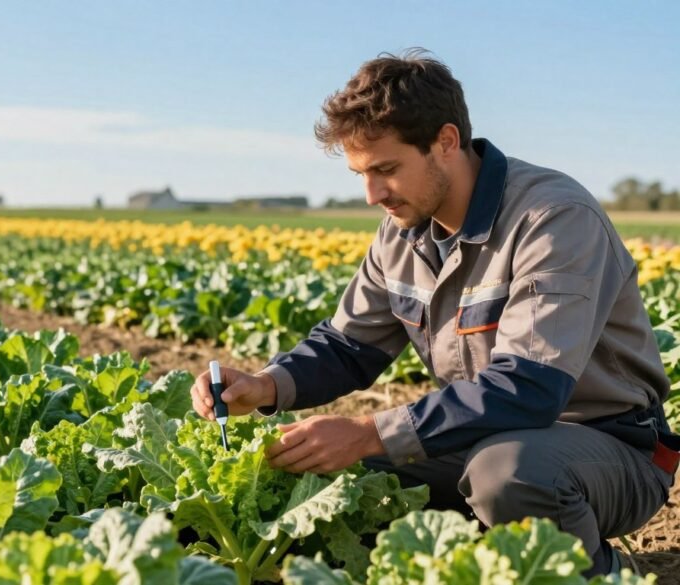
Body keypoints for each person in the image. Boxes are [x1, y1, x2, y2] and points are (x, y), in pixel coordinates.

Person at [190, 49, 678, 577]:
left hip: (608, 446)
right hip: (480, 435)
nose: (373, 193)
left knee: (508, 474)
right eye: (360, 173)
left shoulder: (552, 217)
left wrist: (369, 432)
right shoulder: (402, 232)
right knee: (318, 471)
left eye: (386, 169)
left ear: (445, 142)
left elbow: (530, 388)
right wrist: (265, 385)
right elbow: (348, 344)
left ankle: (601, 574)